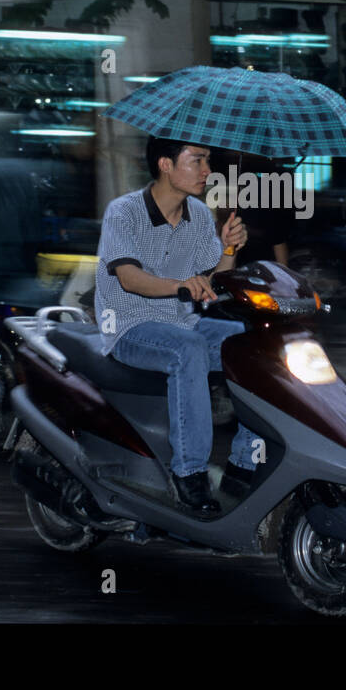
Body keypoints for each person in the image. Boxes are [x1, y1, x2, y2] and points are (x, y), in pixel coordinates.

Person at [94, 137, 261, 514]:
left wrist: (229, 249)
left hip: (183, 323)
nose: (207, 171)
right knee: (188, 351)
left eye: (208, 161)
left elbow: (214, 281)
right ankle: (189, 474)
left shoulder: (199, 216)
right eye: (197, 161)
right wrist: (180, 285)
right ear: (165, 165)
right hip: (128, 326)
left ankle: (244, 464)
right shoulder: (124, 212)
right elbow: (129, 278)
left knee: (251, 345)